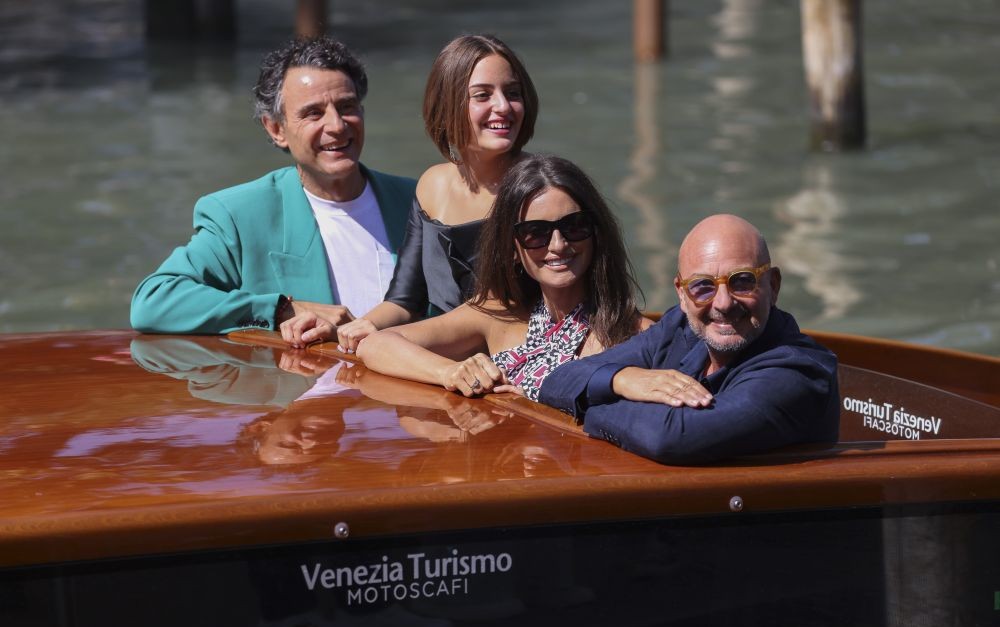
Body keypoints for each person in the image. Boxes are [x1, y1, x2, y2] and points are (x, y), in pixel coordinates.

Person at [130, 37, 415, 334]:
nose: (337, 125)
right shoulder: (240, 215)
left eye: (347, 106)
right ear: (276, 129)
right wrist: (281, 309)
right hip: (305, 379)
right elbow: (154, 301)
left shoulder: (419, 201)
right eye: (313, 113)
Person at [280, 34, 538, 350]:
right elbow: (405, 300)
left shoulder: (544, 190)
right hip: (444, 368)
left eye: (513, 93)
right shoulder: (431, 186)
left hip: (522, 368)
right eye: (482, 95)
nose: (503, 107)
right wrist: (354, 328)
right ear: (448, 105)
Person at [538, 214, 840, 465]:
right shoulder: (679, 329)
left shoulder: (798, 372)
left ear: (773, 285)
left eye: (742, 281)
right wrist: (623, 380)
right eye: (702, 287)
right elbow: (558, 380)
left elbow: (669, 437)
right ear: (681, 294)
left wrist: (589, 406)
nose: (722, 303)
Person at [357, 154, 651, 401]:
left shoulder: (635, 334)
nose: (558, 244)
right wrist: (449, 372)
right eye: (535, 233)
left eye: (574, 226)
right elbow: (377, 344)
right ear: (512, 247)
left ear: (597, 233)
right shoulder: (498, 313)